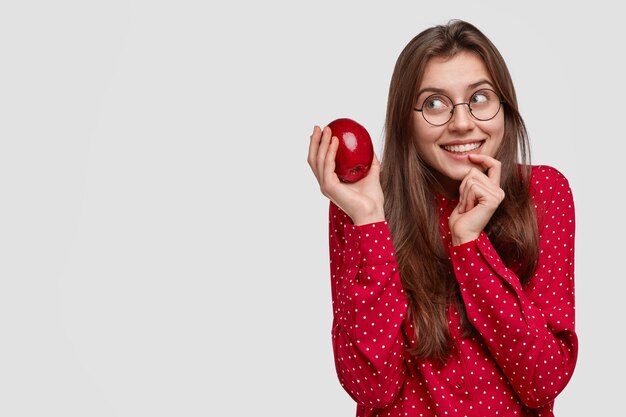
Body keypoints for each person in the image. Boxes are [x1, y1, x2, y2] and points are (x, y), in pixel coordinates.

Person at [307, 19, 577, 417]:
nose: (462, 122)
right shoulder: (364, 203)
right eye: (435, 103)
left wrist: (470, 245)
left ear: (504, 105)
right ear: (406, 120)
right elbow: (371, 389)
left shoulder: (543, 192)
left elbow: (543, 381)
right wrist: (369, 221)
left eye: (480, 98)